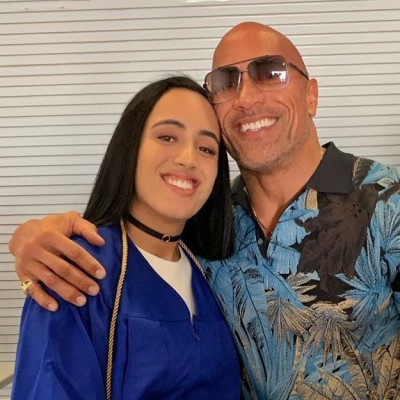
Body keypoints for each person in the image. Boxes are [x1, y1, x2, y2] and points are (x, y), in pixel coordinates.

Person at [10, 22, 400, 399]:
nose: (246, 98)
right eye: (226, 82)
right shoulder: (208, 226)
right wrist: (32, 238)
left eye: (271, 73)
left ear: (311, 95)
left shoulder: (387, 200)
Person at [11, 75, 241, 400]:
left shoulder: (213, 271)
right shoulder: (77, 268)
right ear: (130, 147)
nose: (188, 158)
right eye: (167, 136)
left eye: (206, 148)